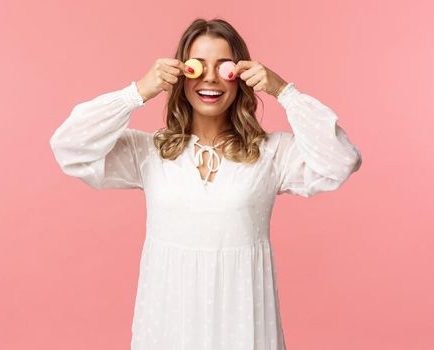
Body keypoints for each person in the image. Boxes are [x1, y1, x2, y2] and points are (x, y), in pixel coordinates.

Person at [50, 17, 362, 350]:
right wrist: (138, 92)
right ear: (180, 75)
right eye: (198, 66)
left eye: (223, 66)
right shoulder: (150, 151)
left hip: (244, 326)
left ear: (240, 76)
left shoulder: (272, 153)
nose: (210, 77)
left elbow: (341, 161)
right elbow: (69, 147)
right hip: (167, 325)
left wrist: (285, 92)